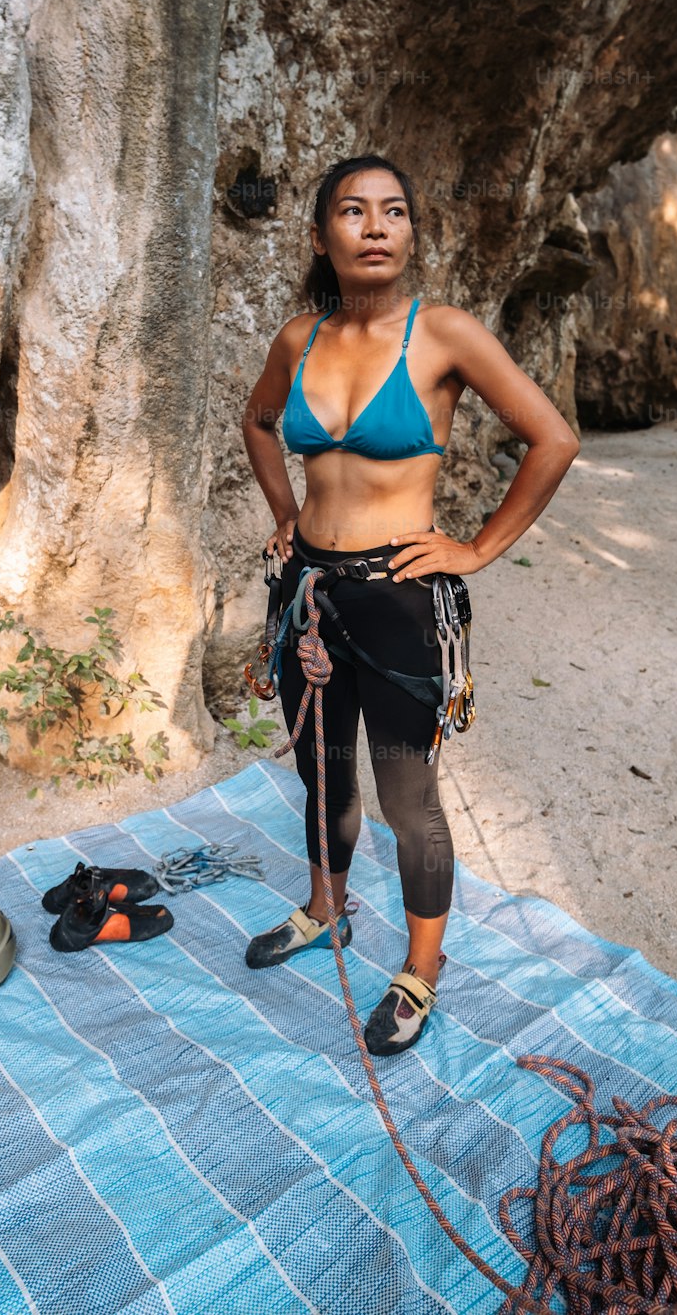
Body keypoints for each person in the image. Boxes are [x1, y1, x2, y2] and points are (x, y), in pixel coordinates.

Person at [240, 153, 579, 1054]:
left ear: (412, 233)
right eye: (354, 212)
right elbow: (258, 421)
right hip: (308, 593)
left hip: (399, 597)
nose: (377, 226)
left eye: (395, 210)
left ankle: (420, 973)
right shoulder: (296, 339)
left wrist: (475, 549)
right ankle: (326, 910)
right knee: (321, 772)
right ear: (323, 237)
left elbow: (553, 437)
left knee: (406, 793)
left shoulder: (447, 336)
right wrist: (284, 513)